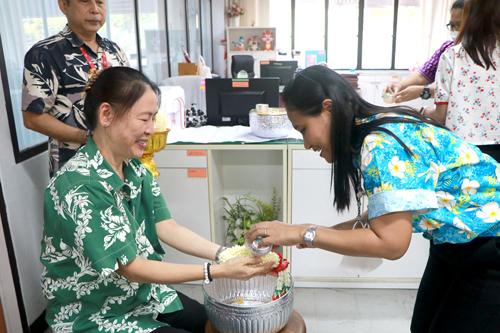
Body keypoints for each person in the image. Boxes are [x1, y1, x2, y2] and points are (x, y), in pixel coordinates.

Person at [246, 65, 500, 333]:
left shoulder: (380, 143)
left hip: (490, 245)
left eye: (303, 129)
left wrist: (303, 232)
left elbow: (391, 244)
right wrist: (305, 235)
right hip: (455, 243)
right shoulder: (370, 133)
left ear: (327, 108)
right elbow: (381, 219)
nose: (306, 144)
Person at [40, 67, 274, 333]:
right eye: (144, 119)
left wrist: (226, 253)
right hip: (95, 312)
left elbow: (166, 226)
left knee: (213, 321)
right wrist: (217, 270)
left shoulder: (134, 169)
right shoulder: (80, 185)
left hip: (141, 295)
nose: (152, 129)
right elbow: (130, 267)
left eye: (153, 118)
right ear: (106, 114)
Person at [22, 0, 129, 177]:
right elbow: (33, 118)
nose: (95, 9)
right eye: (85, 1)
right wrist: (87, 137)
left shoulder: (114, 51)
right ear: (64, 5)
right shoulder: (44, 54)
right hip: (75, 169)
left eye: (100, 2)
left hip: (119, 163)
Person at [429, 0, 499, 162]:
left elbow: (440, 116)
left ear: (470, 17)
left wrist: (424, 113)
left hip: (463, 151)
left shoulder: (453, 55)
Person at [384, 0, 464, 103]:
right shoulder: (447, 49)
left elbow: (458, 91)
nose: (455, 30)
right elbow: (424, 75)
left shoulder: (483, 56)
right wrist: (400, 85)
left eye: (459, 25)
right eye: (452, 25)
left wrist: (422, 92)